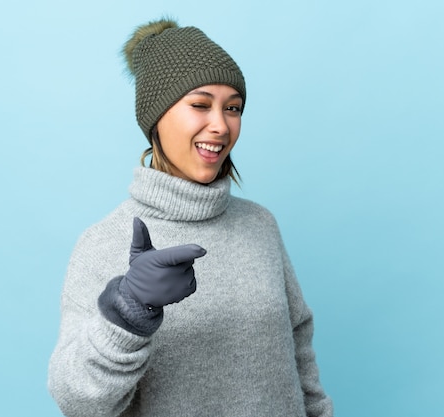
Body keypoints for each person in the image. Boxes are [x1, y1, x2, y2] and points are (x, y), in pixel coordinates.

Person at [47, 17, 333, 417]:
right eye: (200, 104)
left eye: (233, 108)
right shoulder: (103, 242)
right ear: (156, 119)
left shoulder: (259, 225)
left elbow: (299, 345)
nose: (220, 125)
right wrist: (128, 312)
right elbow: (77, 400)